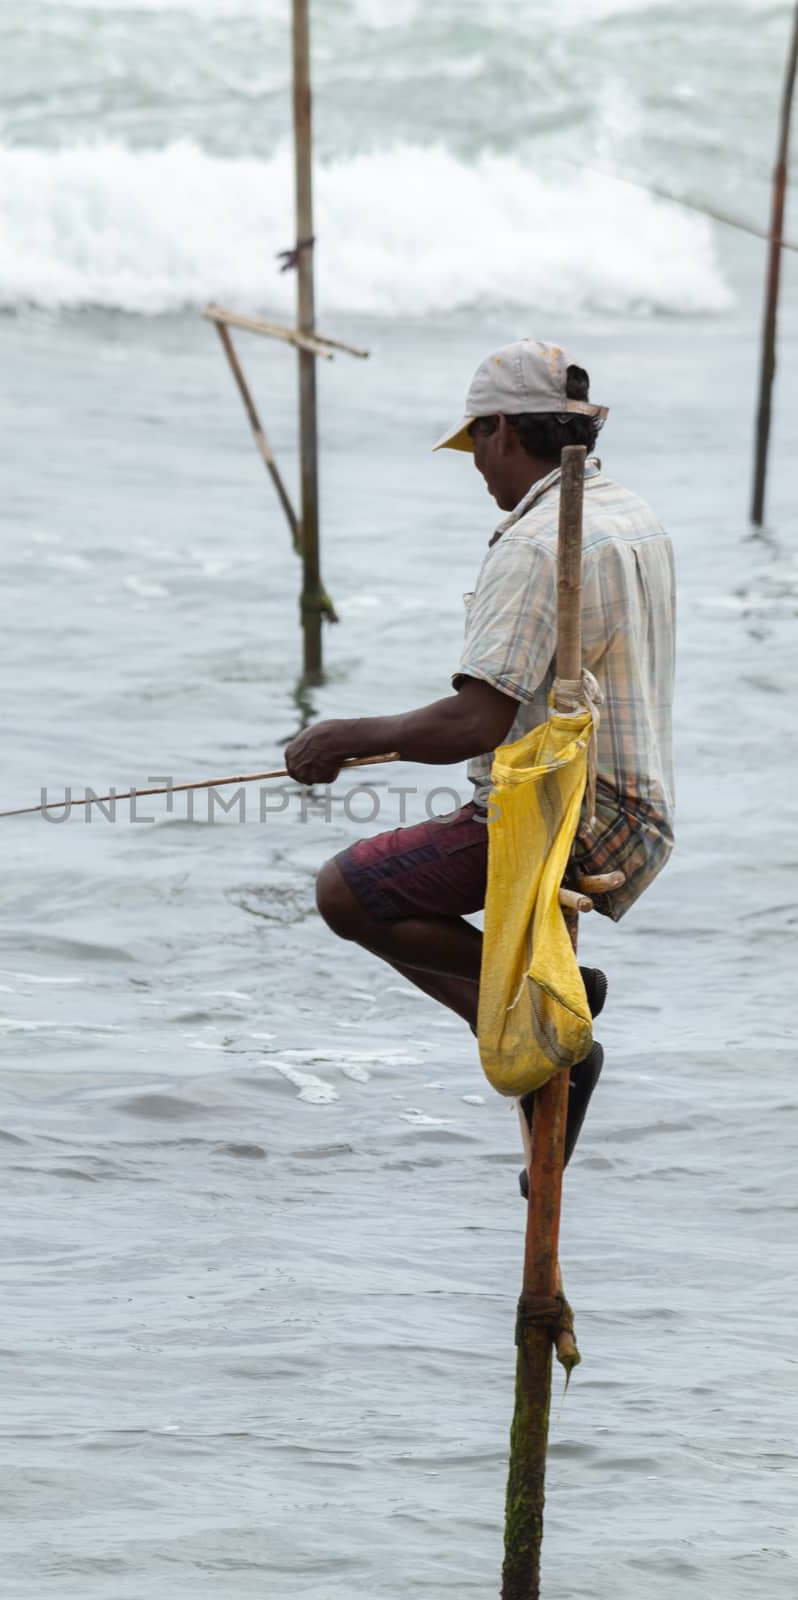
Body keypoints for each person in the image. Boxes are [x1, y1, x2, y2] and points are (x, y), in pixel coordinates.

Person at [284, 338, 675, 1178]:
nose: (478, 469)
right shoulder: (629, 512)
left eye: (477, 446)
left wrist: (345, 736)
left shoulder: (537, 544)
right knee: (381, 889)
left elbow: (477, 721)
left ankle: (550, 1019)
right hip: (638, 809)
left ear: (503, 430)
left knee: (347, 891)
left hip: (567, 813)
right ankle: (545, 1018)